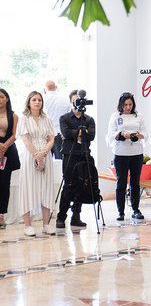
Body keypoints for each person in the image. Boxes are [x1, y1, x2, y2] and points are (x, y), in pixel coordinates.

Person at [16, 91, 56, 236]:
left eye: (39, 100)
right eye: (34, 100)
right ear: (29, 102)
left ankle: (46, 224)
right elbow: (25, 140)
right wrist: (37, 156)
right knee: (28, 188)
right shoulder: (24, 119)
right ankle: (28, 226)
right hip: (30, 155)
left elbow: (51, 139)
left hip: (45, 155)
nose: (37, 102)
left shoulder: (47, 118)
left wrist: (43, 153)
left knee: (46, 188)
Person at [106, 92, 149, 221]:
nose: (128, 107)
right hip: (120, 154)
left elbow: (145, 133)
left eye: (130, 104)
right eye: (125, 105)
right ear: (121, 104)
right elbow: (110, 134)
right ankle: (121, 212)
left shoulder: (139, 116)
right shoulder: (115, 116)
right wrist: (120, 134)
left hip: (136, 154)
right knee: (121, 183)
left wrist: (139, 135)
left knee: (135, 183)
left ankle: (136, 210)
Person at [56, 90, 95, 229]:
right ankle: (61, 217)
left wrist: (78, 134)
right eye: (75, 100)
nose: (78, 103)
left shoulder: (89, 119)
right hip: (69, 155)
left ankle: (76, 216)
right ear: (71, 102)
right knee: (68, 186)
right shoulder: (64, 118)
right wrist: (80, 133)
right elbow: (66, 134)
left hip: (84, 154)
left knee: (81, 185)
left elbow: (91, 136)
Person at [0, 88, 20, 229]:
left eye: (1, 97)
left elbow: (14, 135)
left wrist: (4, 147)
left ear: (6, 99)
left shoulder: (13, 115)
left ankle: (1, 216)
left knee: (4, 183)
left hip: (7, 151)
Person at [43, 80, 71, 159]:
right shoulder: (65, 99)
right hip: (60, 134)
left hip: (45, 135)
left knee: (46, 162)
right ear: (56, 87)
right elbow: (70, 117)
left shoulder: (41, 100)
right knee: (61, 161)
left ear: (45, 89)